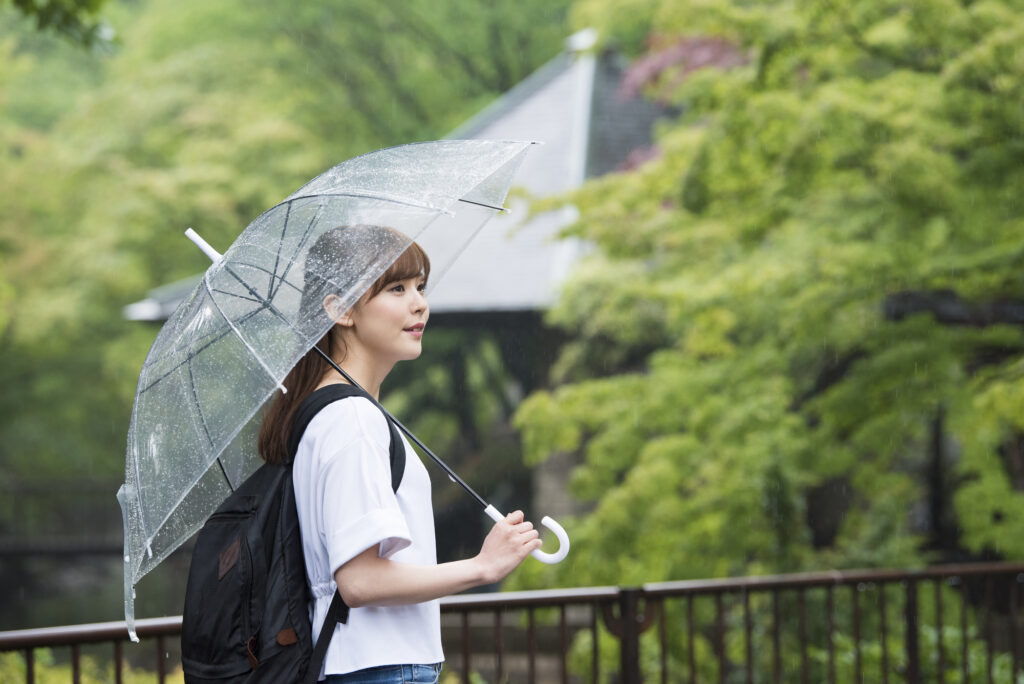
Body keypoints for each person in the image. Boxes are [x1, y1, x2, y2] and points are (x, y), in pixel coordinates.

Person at [257, 225, 542, 683]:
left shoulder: (334, 411)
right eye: (396, 288)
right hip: (378, 667)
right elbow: (360, 581)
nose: (419, 303)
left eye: (420, 286)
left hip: (368, 665)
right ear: (340, 309)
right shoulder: (351, 420)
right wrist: (481, 566)